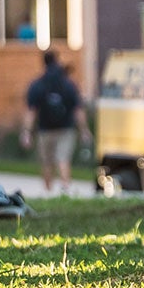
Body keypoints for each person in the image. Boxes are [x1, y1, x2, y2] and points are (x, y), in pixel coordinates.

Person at [20, 51, 92, 194]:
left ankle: (48, 192)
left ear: (44, 63)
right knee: (63, 159)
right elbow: (78, 109)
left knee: (47, 163)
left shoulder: (38, 84)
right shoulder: (68, 84)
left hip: (45, 130)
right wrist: (84, 130)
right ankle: (65, 189)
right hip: (66, 129)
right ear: (57, 61)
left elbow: (31, 111)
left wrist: (26, 132)